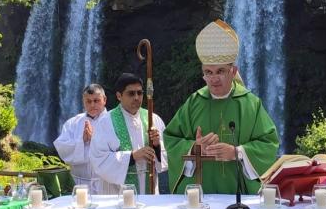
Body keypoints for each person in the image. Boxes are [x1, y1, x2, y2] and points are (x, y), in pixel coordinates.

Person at [164, 19, 279, 194]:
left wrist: (236, 152)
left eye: (220, 71)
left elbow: (269, 144)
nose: (214, 79)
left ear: (233, 72)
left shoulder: (250, 103)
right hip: (199, 196)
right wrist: (195, 148)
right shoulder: (194, 102)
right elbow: (171, 139)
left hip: (240, 197)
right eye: (208, 73)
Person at [89, 73, 168, 194]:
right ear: (119, 96)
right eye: (131, 93)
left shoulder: (153, 118)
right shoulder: (105, 122)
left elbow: (168, 154)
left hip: (149, 193)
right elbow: (98, 158)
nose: (136, 97)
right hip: (117, 194)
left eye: (140, 93)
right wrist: (132, 156)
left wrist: (157, 145)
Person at [53, 84, 114, 194]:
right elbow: (62, 148)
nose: (92, 105)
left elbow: (121, 150)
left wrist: (94, 139)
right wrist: (82, 140)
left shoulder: (114, 121)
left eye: (96, 100)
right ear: (83, 101)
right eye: (88, 101)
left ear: (104, 100)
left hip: (107, 184)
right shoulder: (72, 123)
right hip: (80, 184)